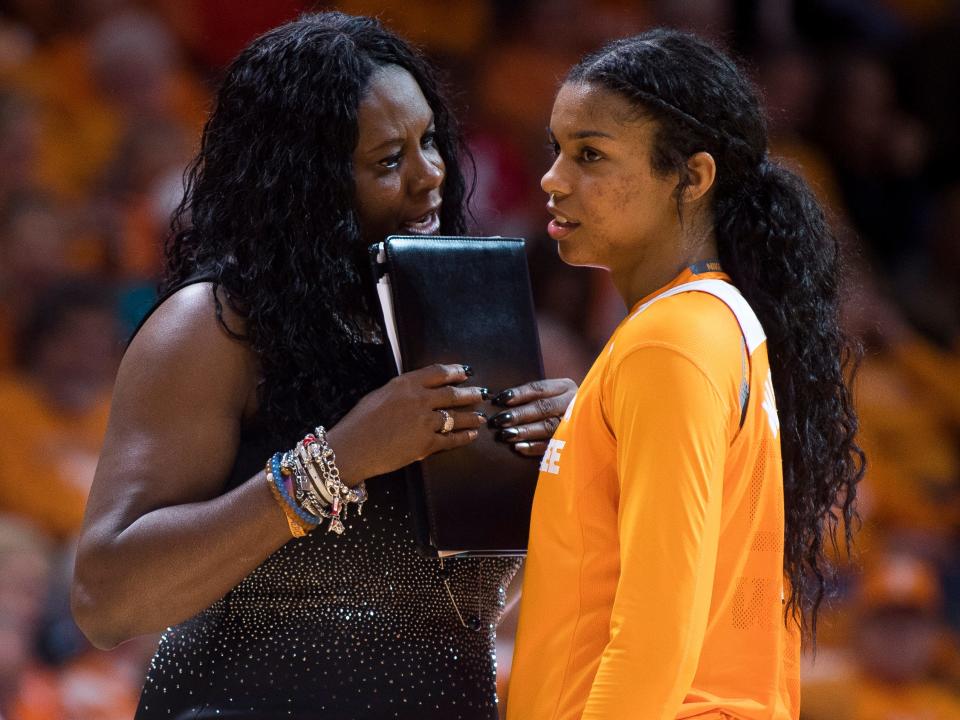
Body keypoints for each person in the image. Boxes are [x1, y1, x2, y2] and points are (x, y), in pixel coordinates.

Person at [70, 13, 575, 720]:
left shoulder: (460, 309)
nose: (431, 175)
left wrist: (552, 465)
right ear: (304, 182)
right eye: (388, 160)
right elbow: (107, 600)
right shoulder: (215, 326)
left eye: (429, 140)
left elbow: (469, 600)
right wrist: (337, 461)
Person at [507, 29, 864, 719]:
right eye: (555, 149)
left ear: (693, 178)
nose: (553, 178)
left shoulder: (670, 342)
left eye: (590, 155)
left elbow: (654, 637)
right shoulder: (707, 322)